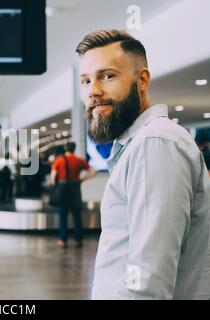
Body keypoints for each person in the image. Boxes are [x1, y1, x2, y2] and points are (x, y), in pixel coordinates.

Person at [76, 29, 210, 299]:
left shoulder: (155, 144)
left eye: (107, 76)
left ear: (142, 80)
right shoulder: (140, 145)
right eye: (86, 81)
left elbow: (147, 281)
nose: (93, 91)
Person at [50, 143, 95, 248]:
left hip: (62, 188)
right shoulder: (79, 160)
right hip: (75, 187)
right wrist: (82, 179)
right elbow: (92, 171)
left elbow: (53, 178)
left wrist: (56, 185)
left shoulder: (59, 160)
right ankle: (78, 240)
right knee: (76, 215)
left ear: (66, 149)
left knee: (63, 215)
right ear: (74, 149)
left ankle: (62, 240)